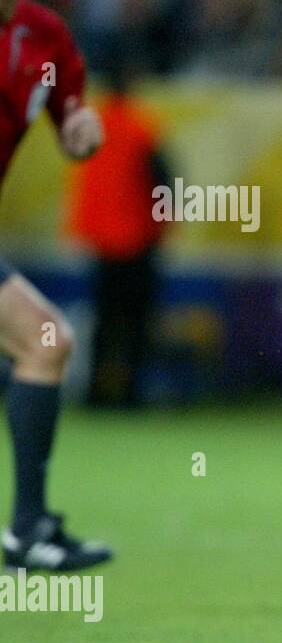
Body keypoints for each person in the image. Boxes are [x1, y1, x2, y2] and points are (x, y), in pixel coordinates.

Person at [0, 0, 112, 571]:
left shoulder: (45, 37)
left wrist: (81, 129)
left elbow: (71, 112)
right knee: (48, 339)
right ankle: (27, 528)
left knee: (44, 344)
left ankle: (28, 527)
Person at [67, 61, 170, 408]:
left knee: (104, 320)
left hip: (101, 240)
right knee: (136, 323)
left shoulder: (92, 123)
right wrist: (165, 225)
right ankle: (129, 392)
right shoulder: (140, 126)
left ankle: (96, 390)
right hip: (137, 237)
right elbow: (161, 180)